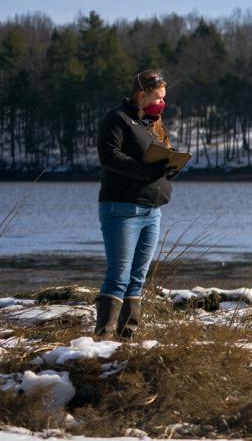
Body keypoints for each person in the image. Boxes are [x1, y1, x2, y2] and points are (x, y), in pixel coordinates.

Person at [94, 70, 178, 339]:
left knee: (137, 278)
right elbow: (110, 157)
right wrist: (147, 172)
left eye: (164, 98)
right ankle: (103, 337)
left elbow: (155, 161)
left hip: (152, 211)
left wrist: (168, 169)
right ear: (142, 94)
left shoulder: (152, 123)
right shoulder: (116, 119)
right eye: (158, 97)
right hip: (121, 209)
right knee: (119, 275)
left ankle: (127, 337)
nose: (162, 103)